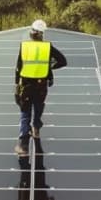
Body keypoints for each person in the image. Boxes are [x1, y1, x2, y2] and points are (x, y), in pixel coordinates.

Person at [14, 19, 68, 156]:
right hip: (41, 86)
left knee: (25, 114)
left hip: (25, 86)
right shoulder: (48, 47)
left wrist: (16, 87)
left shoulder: (24, 46)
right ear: (42, 34)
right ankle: (36, 129)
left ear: (32, 32)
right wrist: (49, 68)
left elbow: (18, 68)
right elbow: (63, 61)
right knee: (38, 108)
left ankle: (23, 146)